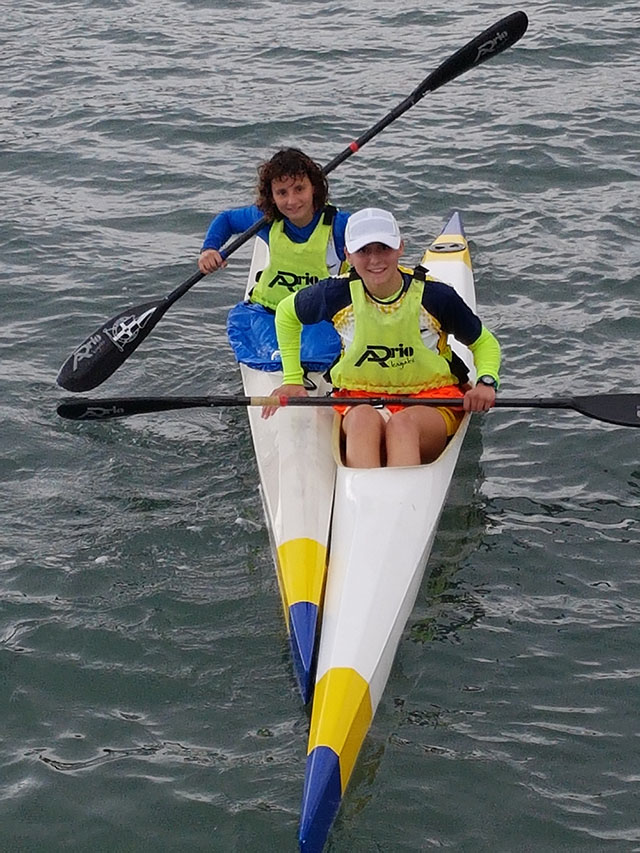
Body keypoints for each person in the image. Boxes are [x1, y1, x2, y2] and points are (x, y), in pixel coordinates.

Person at [264, 207, 501, 469]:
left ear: (400, 248)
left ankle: (398, 487)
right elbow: (286, 313)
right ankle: (367, 488)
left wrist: (486, 382)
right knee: (362, 421)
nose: (375, 260)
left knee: (402, 425)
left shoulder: (436, 297)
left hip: (432, 400)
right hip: (358, 398)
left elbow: (483, 343)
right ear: (348, 255)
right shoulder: (334, 294)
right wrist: (292, 379)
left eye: (384, 248)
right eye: (364, 251)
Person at [198, 147, 350, 309]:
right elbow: (227, 220)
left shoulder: (340, 226)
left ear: (314, 188)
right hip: (270, 311)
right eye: (282, 193)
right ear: (271, 196)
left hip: (321, 316)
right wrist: (209, 249)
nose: (292, 201)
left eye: (299, 189)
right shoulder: (266, 220)